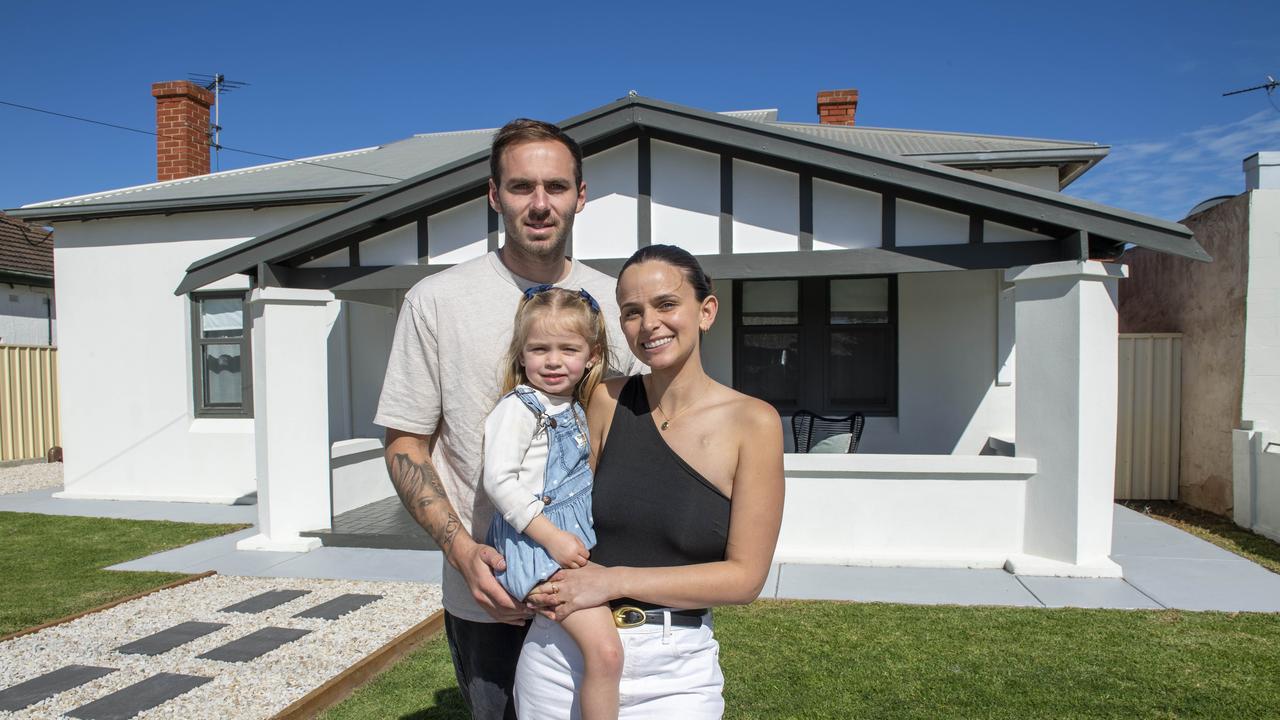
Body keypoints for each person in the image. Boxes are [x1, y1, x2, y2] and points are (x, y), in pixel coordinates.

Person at [375, 119, 642, 720]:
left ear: (581, 194)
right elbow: (405, 446)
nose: (540, 204)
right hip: (490, 593)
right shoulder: (437, 301)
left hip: (594, 577)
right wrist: (460, 550)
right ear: (494, 195)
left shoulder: (615, 303)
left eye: (556, 186)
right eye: (522, 187)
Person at [515, 244, 785, 718]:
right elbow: (554, 506)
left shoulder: (754, 423)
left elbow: (745, 578)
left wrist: (613, 580)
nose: (649, 324)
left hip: (675, 672)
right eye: (632, 312)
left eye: (666, 304)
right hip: (563, 655)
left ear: (706, 311)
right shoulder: (604, 401)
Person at [483, 286, 624, 720]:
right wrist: (554, 538)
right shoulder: (519, 408)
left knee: (591, 649)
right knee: (605, 651)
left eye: (568, 348)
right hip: (537, 548)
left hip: (559, 546)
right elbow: (499, 481)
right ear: (521, 355)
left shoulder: (573, 407)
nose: (553, 360)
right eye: (539, 348)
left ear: (592, 355)